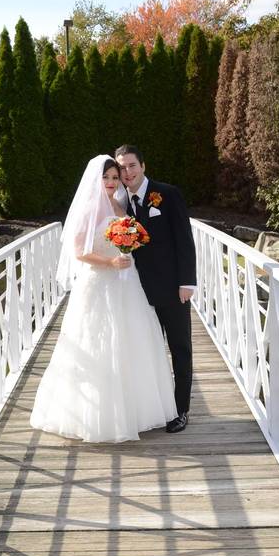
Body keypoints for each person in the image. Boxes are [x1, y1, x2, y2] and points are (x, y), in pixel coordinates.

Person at [29, 155, 177, 443]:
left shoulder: (120, 205)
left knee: (132, 341)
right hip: (100, 282)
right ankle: (98, 415)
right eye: (106, 178)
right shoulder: (87, 209)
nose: (111, 183)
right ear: (96, 179)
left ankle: (136, 410)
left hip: (127, 281)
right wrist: (109, 264)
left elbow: (132, 239)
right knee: (99, 342)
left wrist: (126, 253)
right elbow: (79, 252)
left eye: (114, 177)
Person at [115, 144, 196, 433]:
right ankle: (154, 408)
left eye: (132, 166)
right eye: (122, 167)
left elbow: (184, 240)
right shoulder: (120, 201)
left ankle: (181, 410)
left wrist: (186, 282)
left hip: (172, 290)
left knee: (180, 349)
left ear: (143, 166)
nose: (127, 172)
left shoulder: (168, 194)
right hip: (136, 292)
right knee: (146, 351)